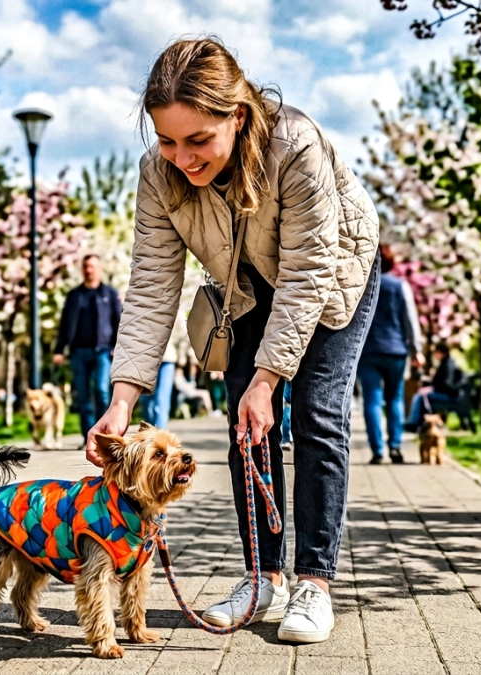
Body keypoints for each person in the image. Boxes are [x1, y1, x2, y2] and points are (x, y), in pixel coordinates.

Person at [85, 38, 380, 644]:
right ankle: (262, 574)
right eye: (167, 139)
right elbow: (150, 289)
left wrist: (269, 379)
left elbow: (305, 273)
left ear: (236, 116)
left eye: (198, 140)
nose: (182, 157)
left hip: (329, 275)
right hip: (244, 286)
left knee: (317, 412)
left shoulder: (294, 144)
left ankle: (314, 583)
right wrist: (121, 401)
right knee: (244, 423)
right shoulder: (158, 177)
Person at [356, 245, 424, 464]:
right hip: (396, 351)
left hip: (367, 351)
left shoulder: (361, 285)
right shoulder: (399, 286)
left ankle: (377, 450)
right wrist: (417, 350)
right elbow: (410, 320)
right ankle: (395, 446)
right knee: (395, 399)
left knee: (371, 401)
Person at [52, 254, 122, 442]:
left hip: (103, 350)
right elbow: (65, 324)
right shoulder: (75, 296)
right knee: (82, 395)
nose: (89, 270)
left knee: (101, 391)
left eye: (92, 266)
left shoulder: (109, 294)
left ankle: (102, 436)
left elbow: (119, 322)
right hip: (78, 351)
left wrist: (118, 346)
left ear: (99, 269)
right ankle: (88, 437)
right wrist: (59, 349)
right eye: (86, 266)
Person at [137, 317, 187, 428]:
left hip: (167, 359)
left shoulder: (176, 308)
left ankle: (159, 432)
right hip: (146, 358)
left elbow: (183, 336)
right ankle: (148, 430)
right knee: (145, 398)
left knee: (162, 398)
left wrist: (181, 361)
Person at [406, 343, 466, 430]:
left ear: (441, 353)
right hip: (449, 393)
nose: (434, 355)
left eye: (435, 352)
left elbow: (446, 384)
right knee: (420, 395)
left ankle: (414, 423)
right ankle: (417, 422)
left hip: (449, 395)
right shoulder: (446, 362)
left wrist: (432, 388)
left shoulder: (447, 365)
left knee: (421, 396)